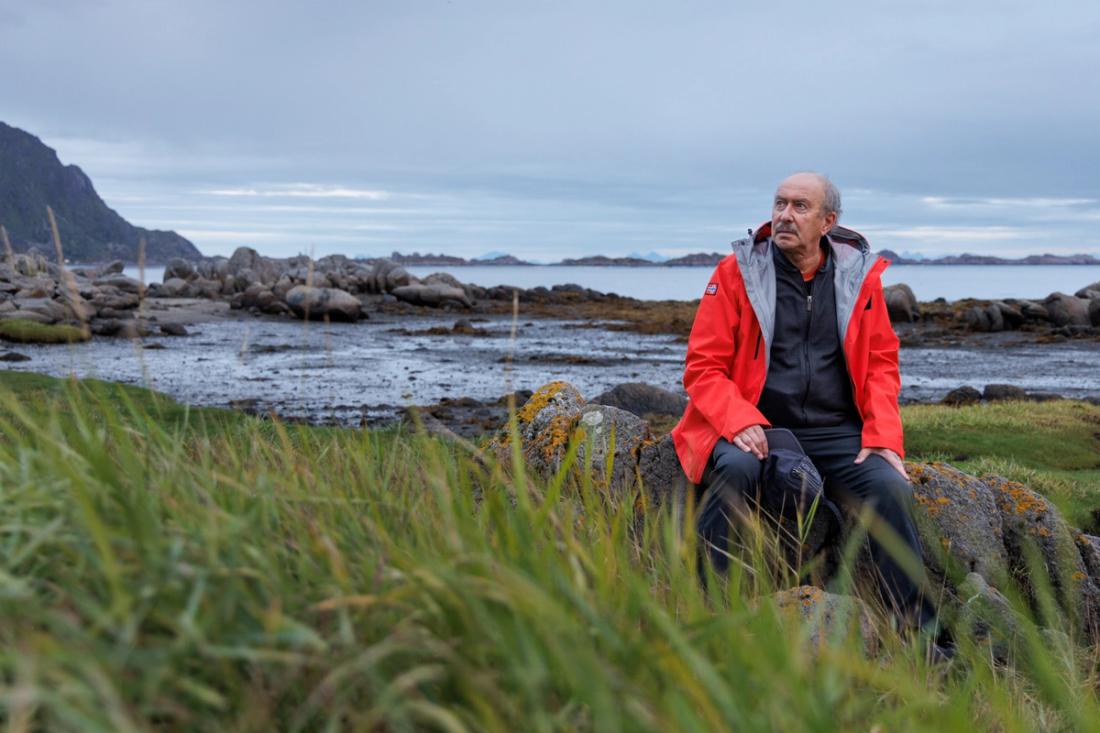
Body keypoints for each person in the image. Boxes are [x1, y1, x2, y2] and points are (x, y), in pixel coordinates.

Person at [671, 171, 936, 633]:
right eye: (780, 204)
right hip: (760, 423)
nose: (784, 216)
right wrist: (739, 420)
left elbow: (880, 365)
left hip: (837, 430)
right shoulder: (738, 272)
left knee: (891, 489)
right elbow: (702, 366)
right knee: (738, 469)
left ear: (827, 221)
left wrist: (885, 438)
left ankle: (923, 640)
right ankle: (705, 615)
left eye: (799, 207)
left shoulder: (858, 277)